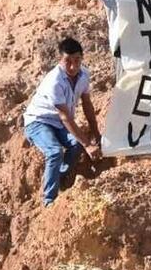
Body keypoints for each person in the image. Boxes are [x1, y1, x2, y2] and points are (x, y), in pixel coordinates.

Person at [23, 37, 102, 206]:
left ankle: (61, 176)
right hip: (39, 121)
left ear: (82, 58)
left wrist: (96, 133)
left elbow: (87, 104)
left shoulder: (84, 75)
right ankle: (49, 199)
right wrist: (88, 145)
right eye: (68, 61)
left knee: (76, 143)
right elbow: (65, 116)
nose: (73, 66)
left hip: (59, 123)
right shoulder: (55, 81)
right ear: (60, 60)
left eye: (77, 60)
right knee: (55, 152)